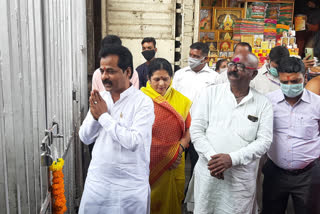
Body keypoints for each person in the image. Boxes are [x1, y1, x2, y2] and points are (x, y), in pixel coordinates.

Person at [190, 53, 273, 214]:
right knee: (206, 208)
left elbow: (264, 141)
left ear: (253, 74)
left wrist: (231, 159)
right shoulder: (210, 94)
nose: (233, 69)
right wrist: (213, 159)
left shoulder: (263, 103)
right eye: (231, 64)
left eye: (240, 66)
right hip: (210, 173)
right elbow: (197, 130)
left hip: (239, 180)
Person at [78, 45, 155, 213]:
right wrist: (95, 116)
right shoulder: (101, 98)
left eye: (111, 71)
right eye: (102, 71)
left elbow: (134, 141)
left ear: (128, 72)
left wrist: (104, 117)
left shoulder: (143, 102)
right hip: (98, 185)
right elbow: (84, 137)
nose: (104, 76)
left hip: (130, 189)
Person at [262, 57, 320, 214]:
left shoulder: (317, 104)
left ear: (305, 77)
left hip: (308, 176)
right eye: (285, 82)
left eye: (295, 81)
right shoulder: (268, 102)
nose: (290, 86)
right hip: (275, 172)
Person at [141, 58, 192, 214]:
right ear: (149, 79)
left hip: (175, 161)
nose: (161, 84)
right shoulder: (140, 99)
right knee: (147, 202)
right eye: (157, 79)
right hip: (146, 162)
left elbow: (189, 128)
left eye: (165, 79)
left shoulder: (181, 100)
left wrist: (181, 148)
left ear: (171, 78)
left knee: (171, 203)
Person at [172, 42, 218, 180]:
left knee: (197, 165)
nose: (191, 58)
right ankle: (177, 196)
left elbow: (216, 104)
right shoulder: (180, 74)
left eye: (196, 56)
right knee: (175, 162)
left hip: (201, 128)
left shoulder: (214, 78)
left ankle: (191, 198)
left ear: (206, 59)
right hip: (179, 127)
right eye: (190, 55)